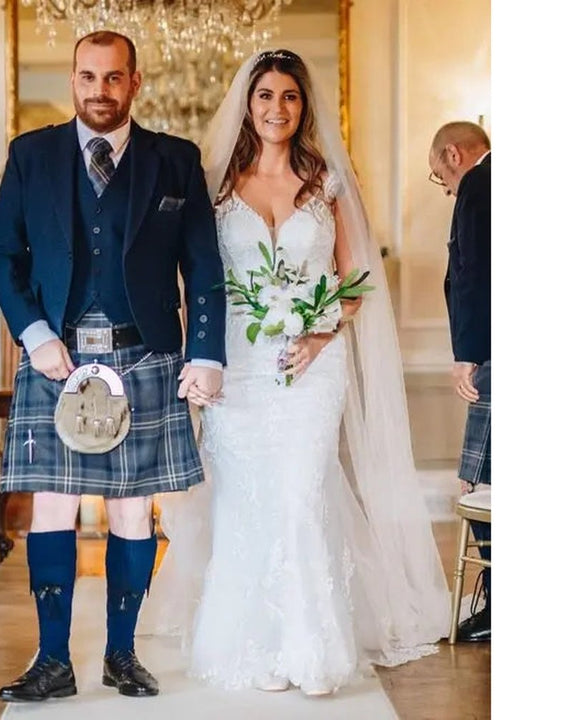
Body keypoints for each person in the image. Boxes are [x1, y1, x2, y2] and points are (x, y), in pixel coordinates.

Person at [142, 49, 451, 696]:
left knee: (302, 495)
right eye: (265, 97)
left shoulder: (329, 184)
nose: (276, 108)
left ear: (303, 106)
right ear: (248, 105)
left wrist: (319, 333)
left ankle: (312, 649)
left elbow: (357, 281)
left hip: (313, 365)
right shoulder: (216, 184)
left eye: (288, 96)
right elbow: (195, 275)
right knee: (243, 501)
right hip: (240, 367)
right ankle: (249, 646)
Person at [0, 31, 226, 702]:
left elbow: (203, 266)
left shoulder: (175, 160)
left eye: (113, 77)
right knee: (51, 508)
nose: (100, 89)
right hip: (55, 354)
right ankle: (53, 659)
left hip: (144, 352)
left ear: (135, 82)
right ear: (72, 80)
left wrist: (206, 351)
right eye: (87, 76)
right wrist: (34, 335)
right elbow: (3, 254)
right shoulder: (30, 156)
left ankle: (123, 654)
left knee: (130, 511)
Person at [429, 121, 491, 642]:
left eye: (439, 177)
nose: (445, 187)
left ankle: (496, 604)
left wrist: (466, 353)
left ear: (454, 153)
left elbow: (472, 272)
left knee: (486, 478)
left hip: (495, 351)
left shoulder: (478, 184)